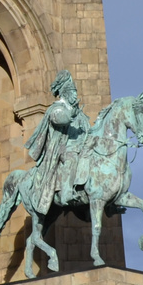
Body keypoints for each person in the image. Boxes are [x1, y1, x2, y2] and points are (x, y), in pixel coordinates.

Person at [25, 70, 90, 214]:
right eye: (72, 92)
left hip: (81, 146)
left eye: (75, 92)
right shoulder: (57, 108)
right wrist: (70, 116)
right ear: (65, 93)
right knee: (71, 158)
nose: (75, 95)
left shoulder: (78, 112)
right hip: (61, 149)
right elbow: (57, 119)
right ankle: (66, 193)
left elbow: (87, 128)